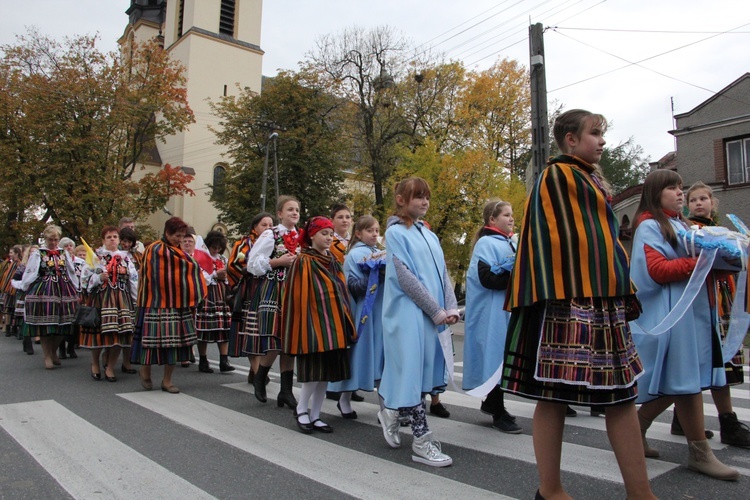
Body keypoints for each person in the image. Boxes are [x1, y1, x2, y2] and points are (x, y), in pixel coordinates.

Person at [500, 110, 655, 499]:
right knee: (553, 397)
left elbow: (600, 240)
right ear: (570, 139)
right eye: (595, 133)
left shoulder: (587, 178)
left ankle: (641, 493)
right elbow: (558, 241)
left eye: (602, 134)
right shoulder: (557, 175)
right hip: (567, 301)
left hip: (600, 300)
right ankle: (550, 491)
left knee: (622, 396)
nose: (602, 141)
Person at [631, 170, 739, 481]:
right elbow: (657, 270)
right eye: (672, 188)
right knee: (686, 381)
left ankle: (637, 428)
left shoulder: (681, 225)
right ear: (655, 193)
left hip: (692, 314)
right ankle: (700, 453)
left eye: (681, 188)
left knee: (682, 380)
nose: (681, 193)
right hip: (673, 316)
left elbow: (697, 269)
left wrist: (725, 263)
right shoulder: (650, 226)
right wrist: (707, 259)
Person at [377, 177, 459, 468]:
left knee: (423, 373)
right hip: (407, 315)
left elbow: (442, 273)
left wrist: (449, 306)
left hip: (429, 315)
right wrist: (436, 310)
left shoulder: (430, 234)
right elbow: (405, 277)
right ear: (401, 200)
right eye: (418, 197)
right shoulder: (396, 233)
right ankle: (422, 442)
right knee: (411, 372)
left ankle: (390, 411)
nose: (424, 202)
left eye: (426, 197)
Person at [671, 182, 750, 447]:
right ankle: (714, 422)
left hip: (723, 301)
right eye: (693, 200)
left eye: (703, 199)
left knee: (722, 365)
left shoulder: (722, 232)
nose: (698, 203)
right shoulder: (687, 231)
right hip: (703, 301)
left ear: (712, 203)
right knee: (707, 362)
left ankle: (694, 420)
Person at [281, 216, 356, 433]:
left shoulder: (332, 259)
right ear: (312, 235)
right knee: (313, 371)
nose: (328, 237)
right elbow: (297, 295)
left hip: (334, 324)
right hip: (314, 326)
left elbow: (340, 289)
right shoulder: (304, 260)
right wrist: (306, 324)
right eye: (324, 233)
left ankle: (316, 415)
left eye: (331, 234)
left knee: (326, 373)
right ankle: (302, 409)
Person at [463, 200, 522, 434]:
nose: (511, 218)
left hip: (504, 312)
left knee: (503, 358)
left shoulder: (511, 243)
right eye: (506, 215)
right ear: (492, 220)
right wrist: (518, 278)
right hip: (491, 315)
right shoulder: (486, 243)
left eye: (512, 214)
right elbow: (487, 279)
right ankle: (498, 411)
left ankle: (493, 403)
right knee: (496, 358)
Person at [131, 217, 207, 393]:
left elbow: (189, 270)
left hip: (178, 303)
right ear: (167, 233)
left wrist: (189, 289)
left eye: (182, 236)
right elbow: (156, 276)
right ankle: (145, 371)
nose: (180, 240)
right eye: (177, 236)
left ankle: (167, 380)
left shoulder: (180, 252)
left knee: (174, 344)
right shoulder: (154, 249)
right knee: (151, 344)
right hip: (155, 302)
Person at [245, 195, 301, 408]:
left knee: (290, 343)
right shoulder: (271, 234)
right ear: (279, 214)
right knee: (277, 339)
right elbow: (253, 263)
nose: (294, 213)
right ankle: (260, 376)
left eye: (296, 210)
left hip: (294, 289)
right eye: (289, 210)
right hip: (275, 288)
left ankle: (286, 391)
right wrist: (279, 261)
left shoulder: (301, 236)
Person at [327, 215, 385, 418]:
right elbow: (353, 287)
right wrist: (375, 274)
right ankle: (344, 399)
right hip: (364, 314)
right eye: (370, 230)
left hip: (382, 312)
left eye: (377, 230)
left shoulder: (381, 253)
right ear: (359, 233)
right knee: (358, 357)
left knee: (382, 358)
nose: (375, 234)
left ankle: (386, 409)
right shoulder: (353, 255)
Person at [80, 226, 139, 381]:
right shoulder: (96, 257)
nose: (112, 239)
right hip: (101, 298)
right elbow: (84, 280)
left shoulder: (125, 258)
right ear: (103, 240)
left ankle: (111, 367)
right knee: (99, 333)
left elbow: (133, 280)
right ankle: (95, 363)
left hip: (121, 299)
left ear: (118, 240)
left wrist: (135, 301)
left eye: (114, 236)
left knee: (120, 334)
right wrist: (98, 278)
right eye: (109, 237)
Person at [16, 225, 80, 369]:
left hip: (63, 288)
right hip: (45, 288)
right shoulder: (39, 253)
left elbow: (70, 271)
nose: (53, 243)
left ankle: (53, 351)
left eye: (56, 240)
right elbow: (31, 271)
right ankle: (47, 356)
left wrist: (76, 287)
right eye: (51, 240)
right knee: (46, 324)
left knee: (64, 323)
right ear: (45, 239)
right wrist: (25, 286)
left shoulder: (63, 253)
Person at [227, 212, 275, 383]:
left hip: (270, 291)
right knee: (252, 331)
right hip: (251, 290)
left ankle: (254, 371)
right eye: (264, 225)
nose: (268, 228)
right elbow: (233, 265)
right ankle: (257, 371)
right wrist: (251, 270)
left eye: (270, 225)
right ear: (254, 227)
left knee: (265, 332)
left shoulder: (277, 242)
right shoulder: (243, 244)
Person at [194, 230, 235, 374]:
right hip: (207, 295)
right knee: (204, 329)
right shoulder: (201, 258)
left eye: (219, 247)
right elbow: (201, 277)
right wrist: (215, 275)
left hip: (221, 294)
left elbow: (228, 275)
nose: (216, 250)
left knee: (223, 328)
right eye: (214, 247)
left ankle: (224, 360)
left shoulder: (222, 259)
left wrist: (224, 277)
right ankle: (203, 360)